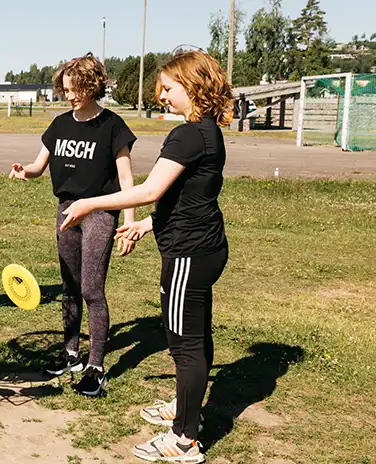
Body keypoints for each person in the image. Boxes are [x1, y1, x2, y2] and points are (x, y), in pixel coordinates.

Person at [58, 50, 232, 462]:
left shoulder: (188, 135)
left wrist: (87, 204)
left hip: (189, 253)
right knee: (197, 337)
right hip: (204, 245)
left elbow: (151, 190)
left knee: (184, 345)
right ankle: (186, 409)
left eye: (169, 88)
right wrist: (149, 224)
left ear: (194, 86)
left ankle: (184, 438)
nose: (162, 96)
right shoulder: (207, 131)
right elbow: (190, 197)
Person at [8, 53, 138, 397]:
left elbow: (127, 180)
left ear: (91, 86)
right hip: (66, 213)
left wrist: (129, 222)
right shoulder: (60, 125)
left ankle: (96, 366)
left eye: (75, 89)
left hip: (99, 212)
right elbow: (39, 165)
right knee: (69, 286)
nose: (69, 96)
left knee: (91, 289)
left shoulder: (113, 126)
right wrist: (26, 172)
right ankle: (71, 354)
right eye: (65, 90)